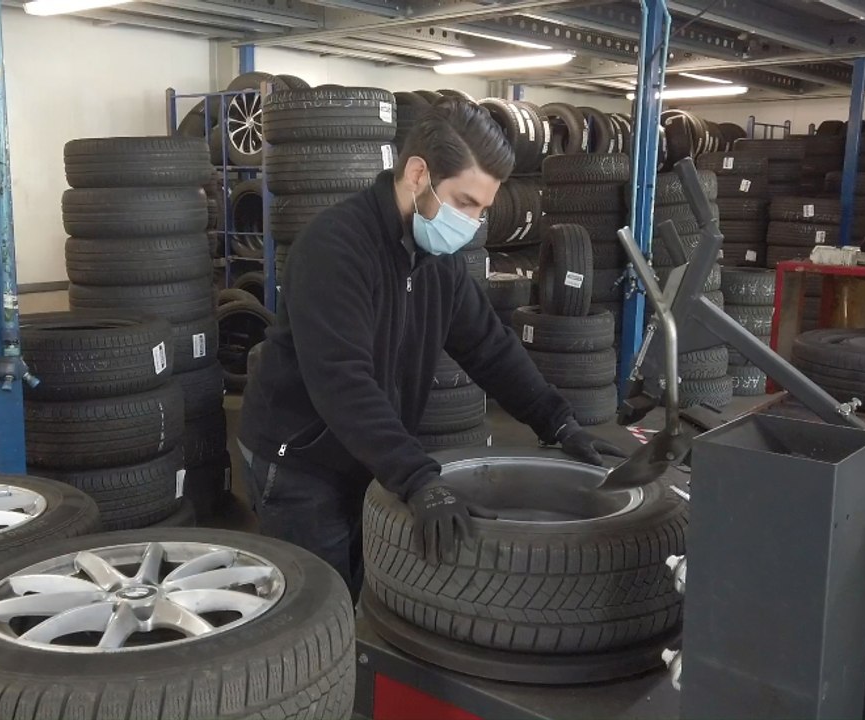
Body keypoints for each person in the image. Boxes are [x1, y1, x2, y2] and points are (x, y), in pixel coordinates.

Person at [238, 99, 625, 598]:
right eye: (465, 203)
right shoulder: (334, 248)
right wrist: (418, 477)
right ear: (418, 174)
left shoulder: (436, 259)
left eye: (483, 209)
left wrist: (558, 421)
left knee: (365, 591)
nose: (473, 222)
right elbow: (342, 381)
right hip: (298, 461)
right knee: (319, 608)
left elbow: (489, 347)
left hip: (365, 454)